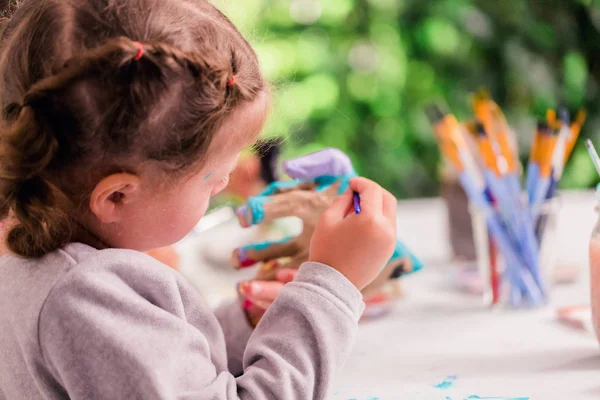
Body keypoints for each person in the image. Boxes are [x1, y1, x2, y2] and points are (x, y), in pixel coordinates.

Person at [0, 1, 398, 399]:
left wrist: (248, 324)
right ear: (118, 196)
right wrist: (330, 286)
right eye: (213, 178)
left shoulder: (43, 265)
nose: (226, 182)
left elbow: (150, 359)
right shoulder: (84, 298)